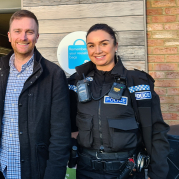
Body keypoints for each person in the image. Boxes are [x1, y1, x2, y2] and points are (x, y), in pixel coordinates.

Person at [68, 23, 170, 179]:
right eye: (91, 45)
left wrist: (158, 174)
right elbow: (63, 124)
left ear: (115, 46)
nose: (98, 50)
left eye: (104, 43)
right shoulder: (76, 83)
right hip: (86, 171)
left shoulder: (138, 83)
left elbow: (156, 131)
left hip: (126, 171)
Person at [0, 10, 71, 179]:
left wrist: (54, 175)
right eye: (17, 31)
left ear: (37, 37)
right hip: (2, 167)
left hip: (35, 170)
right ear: (9, 36)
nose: (23, 37)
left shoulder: (53, 74)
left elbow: (60, 134)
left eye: (29, 32)